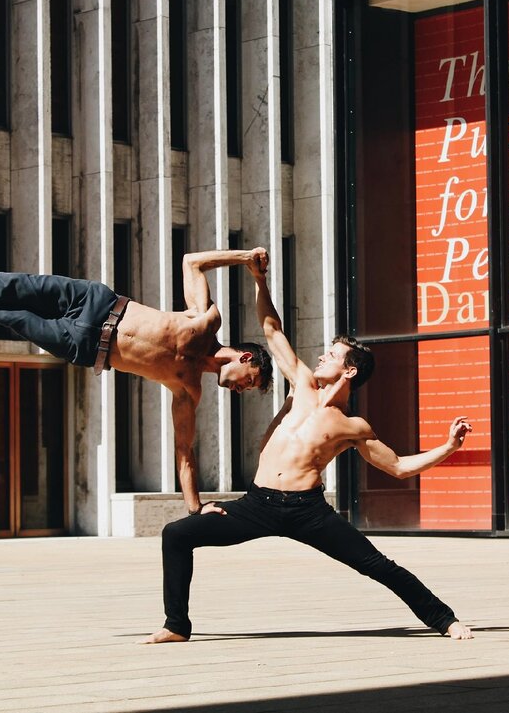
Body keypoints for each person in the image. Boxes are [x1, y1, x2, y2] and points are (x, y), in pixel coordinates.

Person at [143, 248, 474, 643]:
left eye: (332, 354)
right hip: (257, 505)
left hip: (308, 512)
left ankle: (445, 620)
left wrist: (449, 447)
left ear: (349, 370)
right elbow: (271, 329)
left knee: (376, 564)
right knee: (177, 534)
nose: (322, 355)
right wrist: (259, 278)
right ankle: (176, 626)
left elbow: (400, 467)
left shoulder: (352, 425)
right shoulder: (300, 383)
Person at [0, 246, 274, 514]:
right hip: (92, 301)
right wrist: (246, 261)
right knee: (5, 285)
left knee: (1, 313)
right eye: (248, 381)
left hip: (82, 345)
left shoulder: (188, 389)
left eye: (245, 390)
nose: (240, 389)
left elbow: (185, 454)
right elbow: (191, 262)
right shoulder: (206, 320)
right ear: (244, 355)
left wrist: (195, 507)